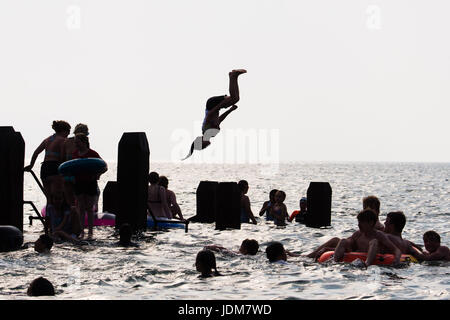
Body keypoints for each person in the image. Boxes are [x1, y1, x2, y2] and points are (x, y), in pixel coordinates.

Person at [183, 69, 247, 160]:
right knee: (236, 98)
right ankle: (233, 76)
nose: (205, 147)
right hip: (215, 106)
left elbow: (210, 114)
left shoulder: (205, 130)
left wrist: (221, 104)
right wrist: (230, 110)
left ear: (201, 141)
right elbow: (219, 119)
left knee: (234, 98)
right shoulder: (212, 134)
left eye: (203, 146)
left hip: (211, 104)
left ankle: (233, 76)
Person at [334, 209, 401, 267]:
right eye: (358, 222)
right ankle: (334, 262)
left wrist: (397, 259)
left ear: (371, 223)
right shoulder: (358, 234)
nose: (359, 225)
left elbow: (396, 250)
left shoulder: (379, 235)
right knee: (343, 240)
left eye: (362, 222)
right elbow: (348, 244)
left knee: (374, 241)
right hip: (357, 258)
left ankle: (367, 263)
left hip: (373, 261)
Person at [24, 120, 71, 201]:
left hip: (45, 168)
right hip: (55, 167)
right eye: (68, 131)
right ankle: (57, 213)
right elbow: (64, 157)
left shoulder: (47, 139)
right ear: (63, 130)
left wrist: (31, 165)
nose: (68, 134)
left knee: (49, 198)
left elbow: (36, 152)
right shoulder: (63, 140)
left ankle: (49, 212)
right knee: (58, 196)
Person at [72, 133, 106, 240]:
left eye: (77, 142)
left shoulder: (93, 153)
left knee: (89, 208)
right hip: (78, 183)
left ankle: (90, 231)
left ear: (84, 142)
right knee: (81, 208)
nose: (76, 144)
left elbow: (104, 166)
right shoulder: (75, 154)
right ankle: (82, 231)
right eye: (75, 142)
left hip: (90, 183)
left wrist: (98, 175)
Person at [62, 123, 89, 207]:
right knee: (79, 200)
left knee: (69, 202)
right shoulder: (84, 142)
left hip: (66, 173)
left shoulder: (66, 141)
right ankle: (77, 217)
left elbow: (62, 158)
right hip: (77, 174)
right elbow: (86, 156)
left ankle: (71, 216)